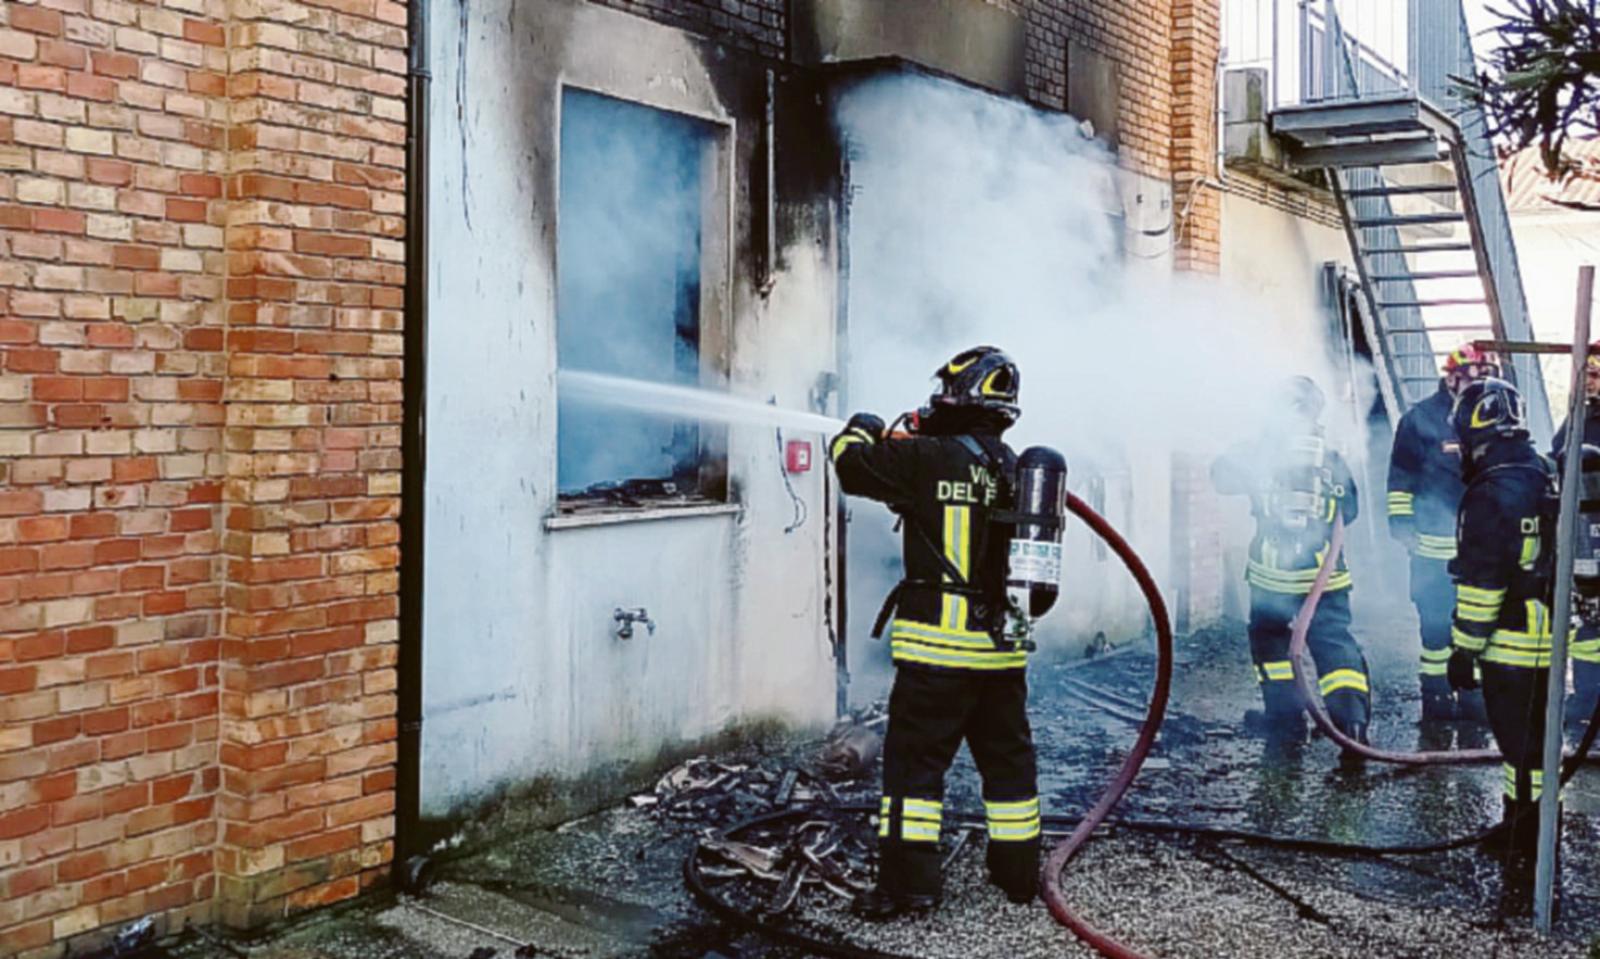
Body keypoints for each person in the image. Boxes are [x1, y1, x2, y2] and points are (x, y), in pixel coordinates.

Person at [829, 346, 1041, 919]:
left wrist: (862, 426)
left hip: (938, 656)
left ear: (959, 397)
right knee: (1009, 768)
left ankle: (908, 887)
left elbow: (850, 466)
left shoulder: (925, 458)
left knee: (914, 772)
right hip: (1002, 655)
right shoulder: (1018, 469)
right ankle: (1019, 876)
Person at [1212, 376, 1372, 745]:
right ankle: (1351, 726)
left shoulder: (1257, 454)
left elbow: (1220, 478)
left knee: (1271, 644)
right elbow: (1350, 511)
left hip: (1272, 578)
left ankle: (1285, 721)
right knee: (1334, 644)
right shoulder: (1330, 458)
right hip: (1325, 577)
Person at [1446, 377, 1558, 865]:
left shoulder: (1490, 492)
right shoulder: (1545, 472)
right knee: (1535, 743)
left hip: (1511, 642)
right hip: (1553, 631)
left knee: (1519, 743)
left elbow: (1483, 584)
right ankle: (1526, 825)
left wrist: (1464, 649)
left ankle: (1528, 838)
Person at [1387, 344, 1501, 721]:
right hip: (1432, 550)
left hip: (1480, 550)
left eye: (1486, 379)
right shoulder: (1420, 419)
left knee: (1477, 623)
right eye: (1471, 379)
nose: (1479, 387)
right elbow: (1400, 479)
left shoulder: (1494, 417)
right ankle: (1435, 694)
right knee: (1435, 626)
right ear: (1451, 378)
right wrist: (1402, 524)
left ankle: (1472, 696)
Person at [1551, 346, 1600, 728]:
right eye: (1589, 375)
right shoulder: (1582, 416)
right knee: (1590, 620)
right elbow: (1559, 453)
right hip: (1588, 535)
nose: (1590, 382)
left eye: (1596, 375)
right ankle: (1586, 698)